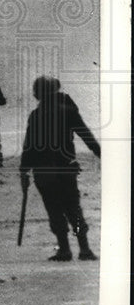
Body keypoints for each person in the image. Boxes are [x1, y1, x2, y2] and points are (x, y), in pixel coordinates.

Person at [19, 76, 101, 261]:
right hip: (65, 169)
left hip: (44, 173)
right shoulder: (68, 111)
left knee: (54, 209)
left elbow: (28, 147)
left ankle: (64, 250)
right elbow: (86, 136)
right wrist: (101, 154)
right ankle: (85, 249)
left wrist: (23, 171)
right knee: (74, 208)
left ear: (37, 94)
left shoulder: (35, 115)